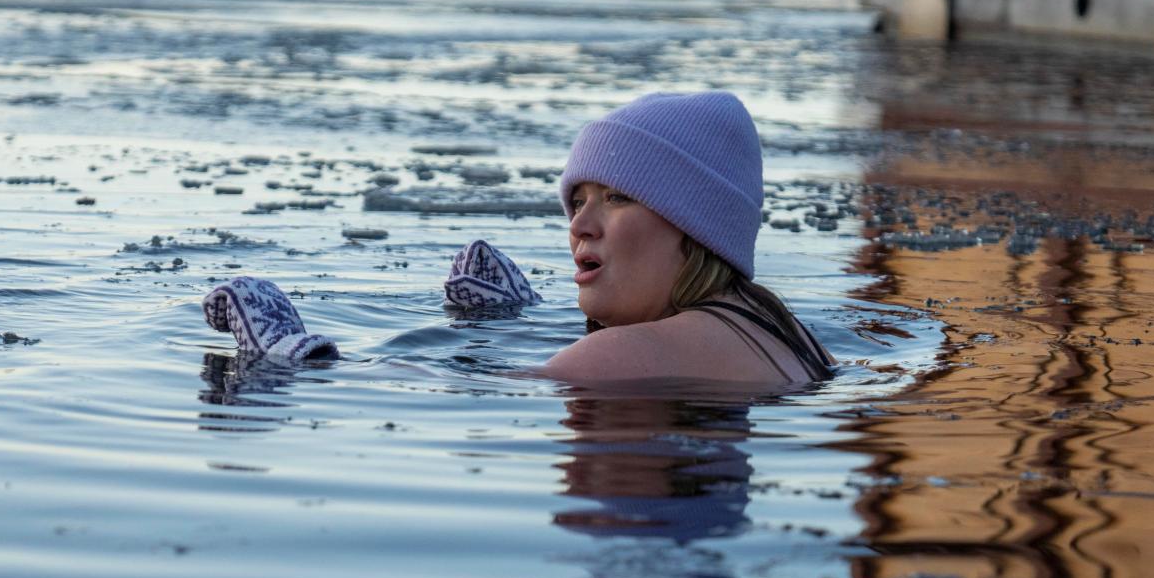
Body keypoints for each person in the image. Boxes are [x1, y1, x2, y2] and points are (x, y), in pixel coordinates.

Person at [201, 91, 834, 388]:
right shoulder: (773, 327)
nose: (581, 225)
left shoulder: (617, 358)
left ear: (693, 226)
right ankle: (519, 311)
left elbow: (482, 387)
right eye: (577, 200)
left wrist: (296, 358)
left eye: (617, 197)